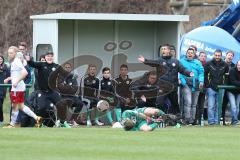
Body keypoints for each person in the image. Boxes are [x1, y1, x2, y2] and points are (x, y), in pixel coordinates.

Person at [138, 44, 193, 114]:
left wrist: (189, 73)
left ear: (169, 50)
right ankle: (161, 116)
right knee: (159, 103)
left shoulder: (175, 61)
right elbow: (152, 62)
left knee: (175, 104)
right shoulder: (159, 60)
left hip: (173, 87)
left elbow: (183, 69)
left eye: (164, 49)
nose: (163, 50)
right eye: (162, 49)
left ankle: (178, 118)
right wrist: (145, 61)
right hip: (162, 87)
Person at [26, 51, 71, 128]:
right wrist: (29, 60)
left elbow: (65, 73)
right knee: (41, 108)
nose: (49, 58)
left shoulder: (56, 66)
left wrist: (71, 76)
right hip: (42, 92)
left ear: (53, 57)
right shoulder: (41, 64)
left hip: (52, 91)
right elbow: (32, 64)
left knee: (62, 105)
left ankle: (62, 122)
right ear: (45, 57)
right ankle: (40, 123)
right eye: (48, 56)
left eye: (51, 56)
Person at [3, 46, 42, 128]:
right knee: (21, 106)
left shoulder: (16, 61)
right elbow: (17, 74)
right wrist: (9, 78)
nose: (9, 54)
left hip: (17, 88)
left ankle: (12, 124)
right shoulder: (15, 61)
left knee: (15, 106)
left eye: (11, 53)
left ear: (16, 53)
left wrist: (16, 82)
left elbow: (24, 73)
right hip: (19, 87)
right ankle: (37, 118)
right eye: (9, 53)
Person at [179, 48, 204, 125]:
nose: (190, 54)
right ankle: (187, 119)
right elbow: (179, 73)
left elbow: (201, 73)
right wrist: (183, 82)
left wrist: (201, 81)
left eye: (191, 53)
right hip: (186, 84)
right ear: (186, 54)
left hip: (196, 84)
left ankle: (193, 120)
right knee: (188, 102)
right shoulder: (181, 61)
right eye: (188, 53)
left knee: (194, 104)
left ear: (194, 54)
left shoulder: (198, 62)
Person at [205, 49, 229, 125]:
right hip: (211, 87)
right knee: (211, 106)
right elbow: (205, 74)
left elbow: (227, 76)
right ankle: (211, 122)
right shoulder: (209, 63)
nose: (217, 57)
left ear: (221, 56)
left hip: (221, 88)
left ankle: (217, 121)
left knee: (219, 106)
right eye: (216, 55)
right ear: (214, 55)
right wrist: (208, 85)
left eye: (219, 55)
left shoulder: (225, 64)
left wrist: (224, 85)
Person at [222, 51, 235, 125]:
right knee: (222, 105)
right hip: (221, 87)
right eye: (229, 55)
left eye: (231, 55)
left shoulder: (234, 65)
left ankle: (233, 121)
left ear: (233, 57)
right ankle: (221, 121)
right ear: (226, 55)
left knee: (232, 106)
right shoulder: (221, 63)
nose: (230, 57)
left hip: (230, 88)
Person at [226, 60, 240, 125]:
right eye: (238, 65)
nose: (239, 66)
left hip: (239, 92)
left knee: (237, 106)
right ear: (236, 65)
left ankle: (234, 121)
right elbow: (233, 82)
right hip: (230, 91)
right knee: (233, 106)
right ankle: (235, 121)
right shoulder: (232, 70)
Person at [196, 51, 207, 124]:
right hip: (196, 86)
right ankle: (195, 119)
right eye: (201, 56)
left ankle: (200, 119)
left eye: (204, 56)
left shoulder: (207, 65)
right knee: (195, 104)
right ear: (199, 56)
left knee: (201, 104)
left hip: (204, 87)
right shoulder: (195, 63)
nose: (203, 57)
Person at [0, 55, 8, 125]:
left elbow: (9, 76)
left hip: (2, 89)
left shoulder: (5, 68)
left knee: (0, 105)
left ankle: (1, 120)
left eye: (1, 59)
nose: (0, 60)